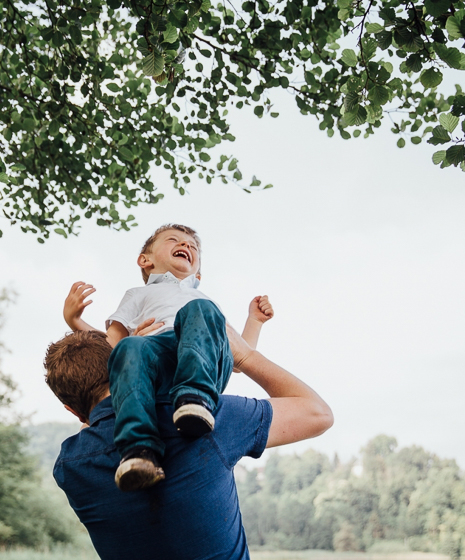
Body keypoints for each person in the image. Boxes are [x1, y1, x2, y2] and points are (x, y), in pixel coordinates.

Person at [43, 325, 333, 560]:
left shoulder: (69, 469)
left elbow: (94, 418)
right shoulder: (204, 419)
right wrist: (245, 357)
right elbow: (317, 413)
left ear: (71, 410)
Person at [62, 224, 273, 490]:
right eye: (174, 240)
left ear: (198, 273)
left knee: (201, 309)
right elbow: (111, 346)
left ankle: (195, 400)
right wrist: (75, 321)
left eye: (192, 246)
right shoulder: (137, 294)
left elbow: (239, 357)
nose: (186, 246)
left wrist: (254, 321)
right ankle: (138, 451)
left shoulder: (204, 301)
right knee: (129, 347)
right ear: (145, 260)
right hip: (153, 360)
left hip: (201, 362)